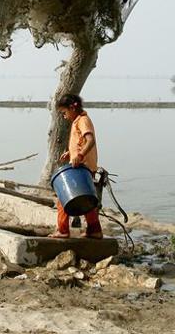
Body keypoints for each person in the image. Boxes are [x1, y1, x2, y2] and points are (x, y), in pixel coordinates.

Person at [49, 93, 103, 239]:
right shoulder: (77, 121)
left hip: (82, 167)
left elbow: (89, 140)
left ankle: (63, 230)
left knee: (63, 197)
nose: (64, 116)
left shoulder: (83, 120)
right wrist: (70, 152)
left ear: (72, 108)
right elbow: (80, 142)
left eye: (64, 112)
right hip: (83, 167)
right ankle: (94, 230)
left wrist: (79, 156)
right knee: (86, 198)